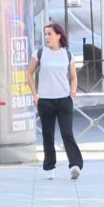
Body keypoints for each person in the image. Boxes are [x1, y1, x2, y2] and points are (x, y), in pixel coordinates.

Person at [26, 22, 83, 180]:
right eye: (45, 34)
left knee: (67, 133)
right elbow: (29, 73)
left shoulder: (67, 54)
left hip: (64, 99)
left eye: (49, 34)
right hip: (45, 100)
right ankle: (49, 166)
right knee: (48, 134)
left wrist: (72, 92)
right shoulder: (39, 53)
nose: (46, 37)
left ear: (59, 35)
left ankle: (75, 165)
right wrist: (34, 94)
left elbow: (73, 76)